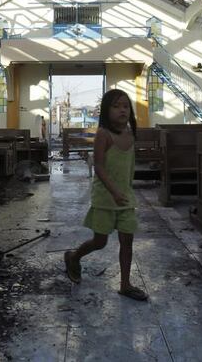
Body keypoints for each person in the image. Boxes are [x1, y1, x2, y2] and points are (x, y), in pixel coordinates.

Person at [64, 89, 148, 301]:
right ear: (106, 111)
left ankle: (125, 284)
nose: (122, 110)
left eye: (126, 106)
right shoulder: (103, 134)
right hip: (105, 198)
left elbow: (128, 166)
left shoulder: (130, 134)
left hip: (125, 198)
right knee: (100, 241)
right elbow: (99, 167)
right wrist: (114, 191)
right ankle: (74, 257)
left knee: (127, 240)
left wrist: (125, 191)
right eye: (116, 106)